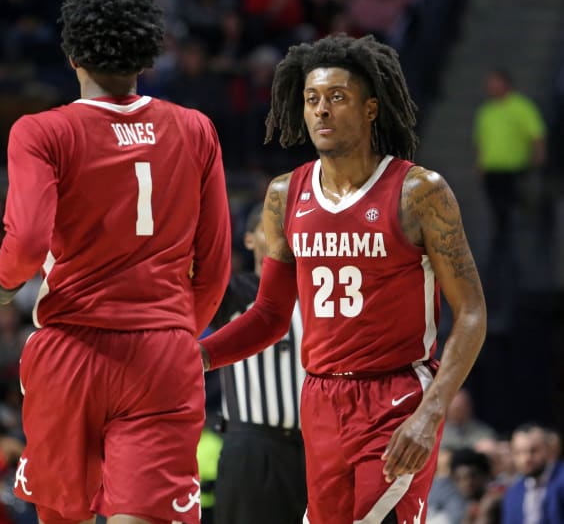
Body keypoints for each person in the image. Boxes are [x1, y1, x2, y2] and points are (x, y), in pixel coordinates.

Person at [200, 33, 487, 524]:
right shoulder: (284, 194)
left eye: (337, 97)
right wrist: (196, 356)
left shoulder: (419, 192)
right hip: (319, 398)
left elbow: (472, 312)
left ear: (371, 108)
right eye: (312, 100)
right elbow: (269, 315)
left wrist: (432, 412)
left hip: (396, 395)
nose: (321, 111)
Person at [0, 0, 231, 523]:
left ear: (70, 53)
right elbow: (214, 265)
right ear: (149, 50)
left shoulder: (41, 132)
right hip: (161, 350)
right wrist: (176, 329)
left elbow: (25, 245)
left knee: (63, 516)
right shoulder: (195, 129)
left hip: (73, 350)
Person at [210, 203, 307, 524]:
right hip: (253, 448)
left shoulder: (316, 292)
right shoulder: (235, 293)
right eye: (273, 228)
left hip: (314, 447)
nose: (284, 236)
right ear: (250, 240)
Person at [473, 68, 546, 255]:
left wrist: (538, 157)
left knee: (514, 204)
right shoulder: (486, 111)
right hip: (492, 168)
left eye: (495, 82)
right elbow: (481, 140)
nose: (490, 86)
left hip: (515, 167)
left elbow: (536, 134)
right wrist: (480, 163)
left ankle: (520, 239)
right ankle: (502, 240)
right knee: (496, 205)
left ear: (506, 84)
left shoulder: (521, 106)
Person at [501, 424, 564, 524]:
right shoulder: (512, 494)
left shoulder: (561, 480)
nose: (526, 459)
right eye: (519, 452)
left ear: (548, 450)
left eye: (533, 451)